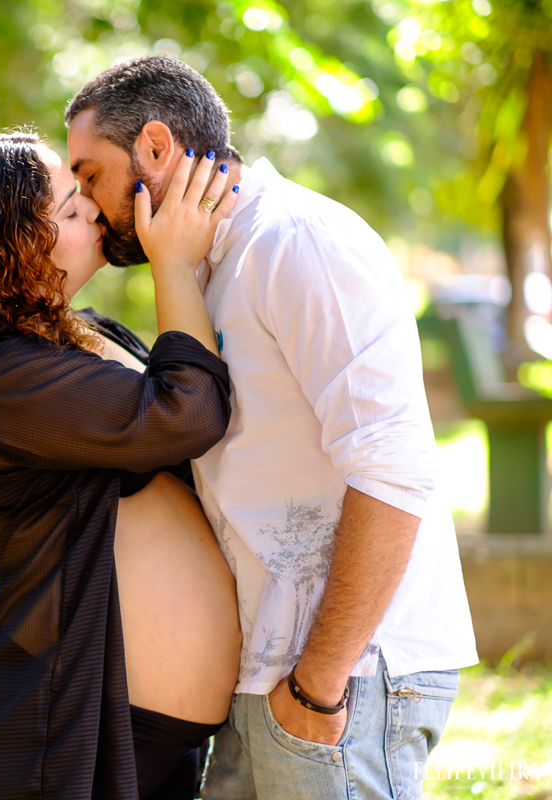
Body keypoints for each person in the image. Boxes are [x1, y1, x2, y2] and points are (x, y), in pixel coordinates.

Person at [65, 55, 478, 800]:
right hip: (265, 680)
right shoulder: (201, 271)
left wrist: (319, 683)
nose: (87, 204)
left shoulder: (298, 241)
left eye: (90, 175)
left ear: (155, 148)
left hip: (347, 679)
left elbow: (395, 466)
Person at [0, 130, 242, 798]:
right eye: (71, 209)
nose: (95, 213)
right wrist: (173, 262)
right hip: (48, 735)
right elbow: (188, 413)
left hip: (129, 731)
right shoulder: (5, 377)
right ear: (13, 248)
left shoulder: (79, 335)